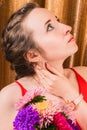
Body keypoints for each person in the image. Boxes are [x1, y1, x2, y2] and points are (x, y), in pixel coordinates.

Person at [0, 2, 87, 130]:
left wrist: (70, 93)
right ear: (32, 55)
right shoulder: (9, 97)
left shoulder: (85, 74)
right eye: (50, 27)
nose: (67, 27)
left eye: (57, 20)